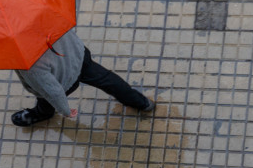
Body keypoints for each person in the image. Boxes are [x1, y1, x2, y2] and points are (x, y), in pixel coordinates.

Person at [11, 30, 155, 127]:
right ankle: (141, 102)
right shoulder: (43, 14)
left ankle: (43, 114)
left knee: (46, 100)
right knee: (106, 79)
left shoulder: (28, 63)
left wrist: (65, 110)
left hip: (63, 80)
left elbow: (53, 91)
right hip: (78, 56)